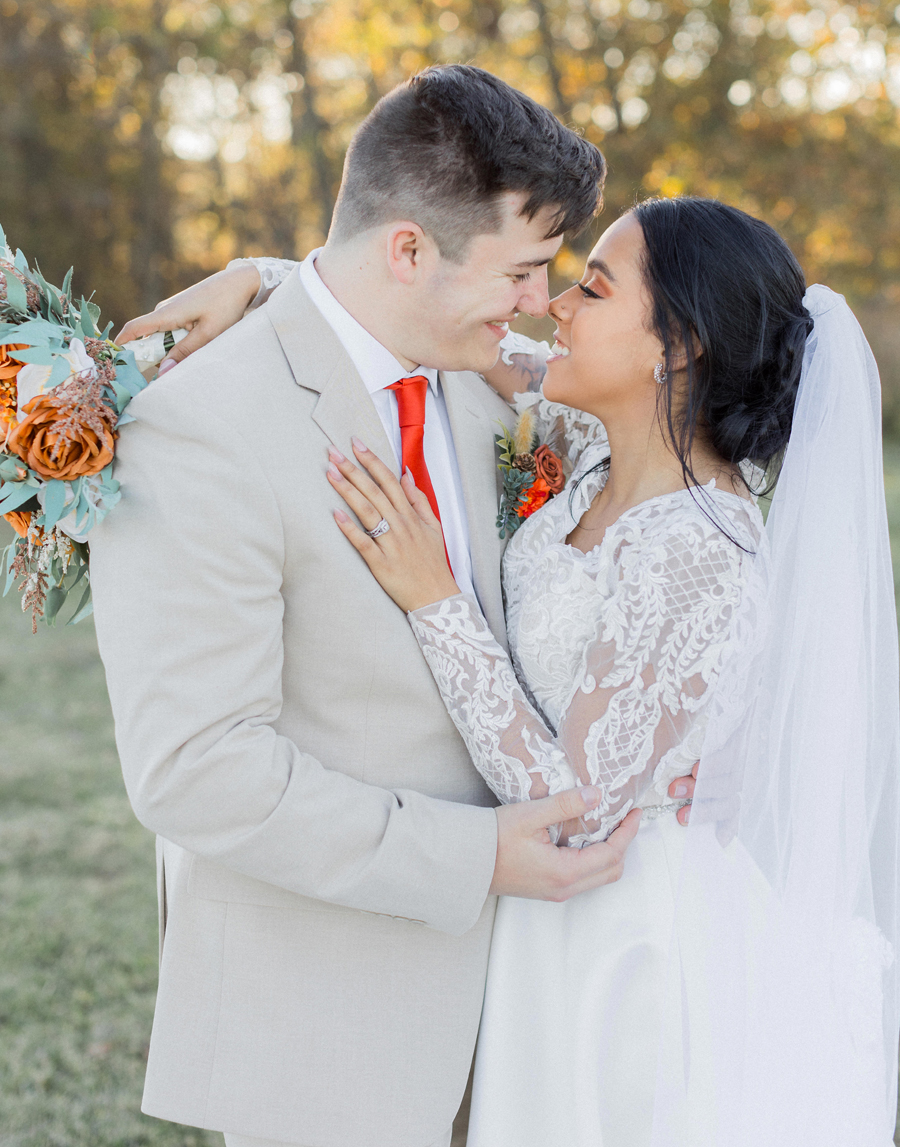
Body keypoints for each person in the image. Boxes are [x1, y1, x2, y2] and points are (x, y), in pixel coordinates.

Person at [90, 65, 702, 1147]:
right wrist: (478, 859)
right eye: (522, 271)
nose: (540, 306)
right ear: (410, 250)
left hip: (527, 1013)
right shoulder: (199, 430)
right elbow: (196, 770)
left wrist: (267, 272)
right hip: (332, 1026)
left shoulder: (470, 364)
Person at [285, 197, 900, 1145]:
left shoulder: (703, 547)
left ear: (680, 344)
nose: (555, 306)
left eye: (593, 288)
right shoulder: (588, 453)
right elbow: (431, 325)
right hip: (545, 926)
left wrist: (433, 599)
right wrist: (265, 281)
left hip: (622, 941)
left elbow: (572, 811)